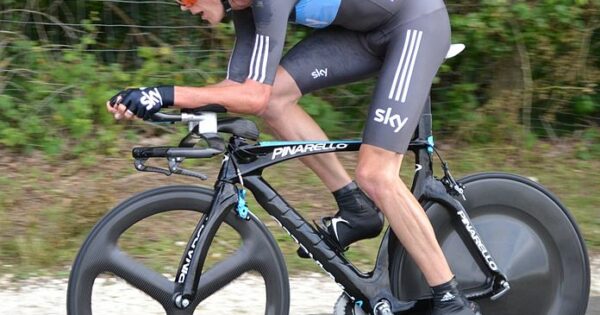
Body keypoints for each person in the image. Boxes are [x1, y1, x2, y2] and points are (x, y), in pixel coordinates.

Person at [106, 0, 480, 314]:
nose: (185, 8)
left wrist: (166, 93)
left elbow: (250, 97)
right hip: (362, 35)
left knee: (377, 174)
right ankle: (356, 208)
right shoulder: (245, 6)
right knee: (277, 101)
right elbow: (238, 91)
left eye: (187, 0)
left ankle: (451, 299)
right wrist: (154, 101)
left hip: (412, 24)